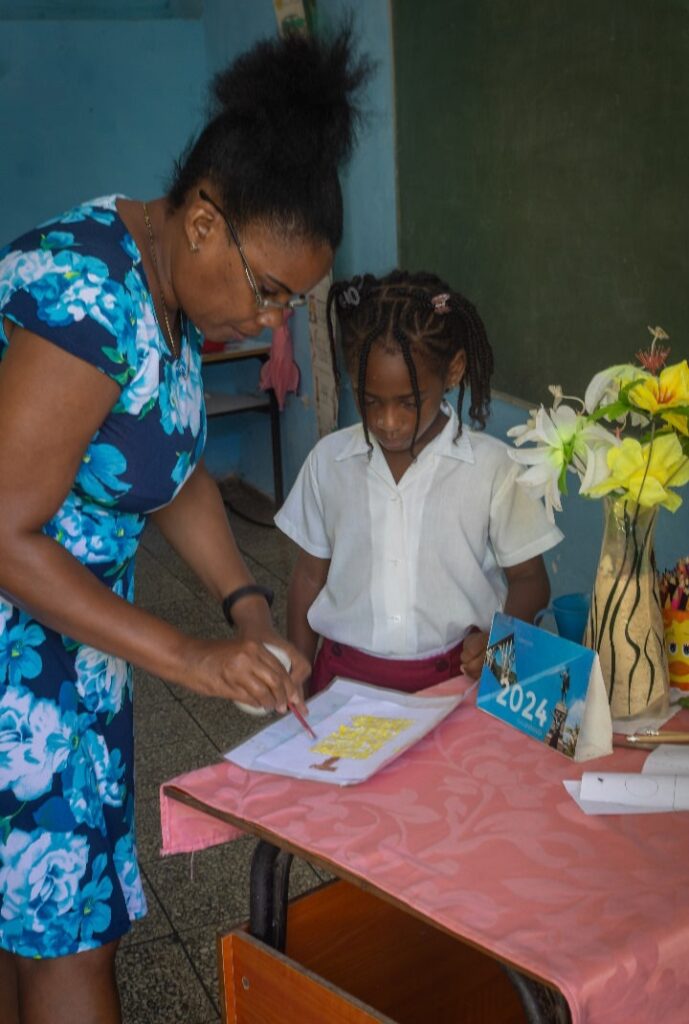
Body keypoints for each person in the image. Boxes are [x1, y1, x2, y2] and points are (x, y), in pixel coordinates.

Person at [0, 28, 370, 1024]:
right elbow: (3, 530)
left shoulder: (166, 299)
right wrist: (191, 659)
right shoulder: (86, 291)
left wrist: (246, 608)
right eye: (267, 291)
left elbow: (166, 471)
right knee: (64, 944)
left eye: (292, 304)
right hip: (15, 652)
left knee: (36, 923)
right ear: (205, 220)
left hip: (65, 652)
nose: (269, 324)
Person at [276, 270, 563, 694]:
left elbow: (530, 580)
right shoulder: (329, 461)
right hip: (342, 683)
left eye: (408, 403)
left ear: (453, 372)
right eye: (369, 400)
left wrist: (497, 644)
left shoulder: (492, 467)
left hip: (453, 681)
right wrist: (296, 671)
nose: (387, 422)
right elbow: (308, 578)